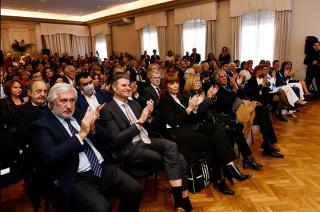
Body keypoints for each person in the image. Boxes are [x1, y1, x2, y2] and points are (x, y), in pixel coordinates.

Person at [32, 83, 142, 212]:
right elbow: (50, 156)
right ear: (51, 103)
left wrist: (94, 129)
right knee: (102, 208)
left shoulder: (80, 115)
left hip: (103, 166)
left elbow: (107, 138)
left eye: (72, 100)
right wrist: (81, 135)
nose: (69, 106)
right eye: (63, 101)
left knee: (135, 189)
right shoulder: (42, 125)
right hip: (77, 176)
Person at [99, 73, 192, 211]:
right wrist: (140, 122)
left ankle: (179, 201)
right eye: (123, 85)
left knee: (172, 146)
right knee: (179, 159)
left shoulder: (134, 103)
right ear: (114, 88)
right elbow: (116, 139)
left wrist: (149, 117)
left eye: (128, 85)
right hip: (130, 148)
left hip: (146, 140)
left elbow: (149, 126)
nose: (128, 88)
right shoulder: (108, 110)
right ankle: (182, 201)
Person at [158, 73, 252, 195]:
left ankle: (229, 167)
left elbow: (192, 118)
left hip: (190, 128)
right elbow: (173, 121)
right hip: (179, 135)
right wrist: (190, 108)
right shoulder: (164, 101)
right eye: (171, 83)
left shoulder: (179, 98)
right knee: (217, 142)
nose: (175, 85)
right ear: (166, 85)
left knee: (216, 128)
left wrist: (195, 107)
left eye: (176, 82)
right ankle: (225, 175)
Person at [214, 70, 284, 158]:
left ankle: (268, 145)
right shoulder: (216, 88)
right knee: (263, 114)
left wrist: (238, 86)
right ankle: (268, 146)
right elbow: (228, 101)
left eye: (225, 76)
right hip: (235, 114)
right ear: (217, 79)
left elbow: (242, 96)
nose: (224, 78)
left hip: (244, 108)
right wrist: (235, 87)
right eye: (221, 77)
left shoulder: (228, 85)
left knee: (263, 111)